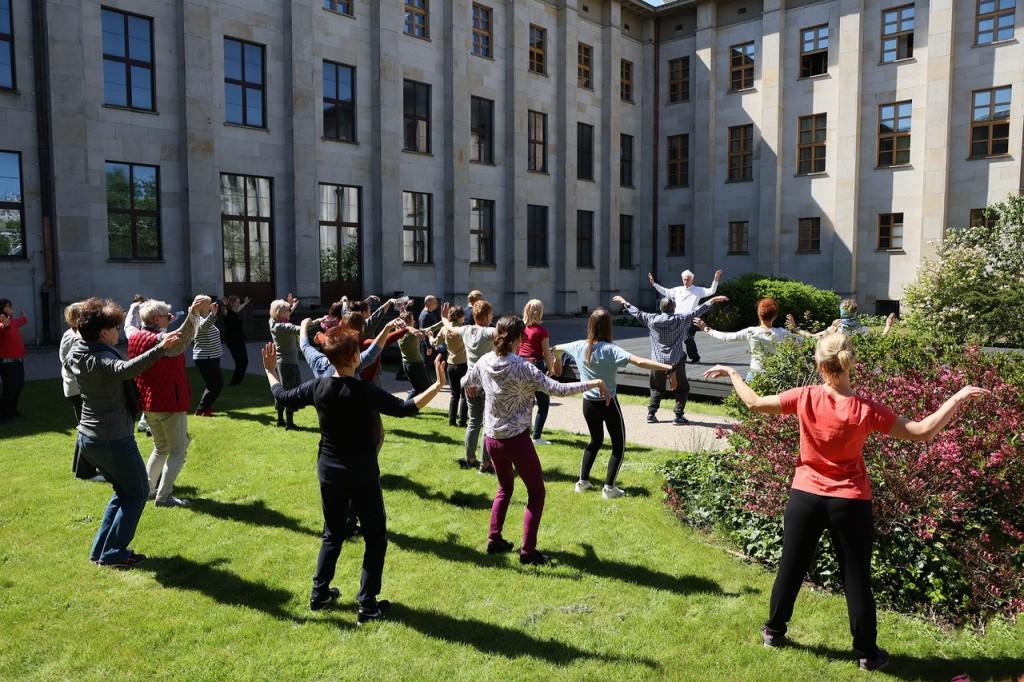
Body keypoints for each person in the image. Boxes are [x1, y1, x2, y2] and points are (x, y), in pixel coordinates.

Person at [703, 334, 989, 671]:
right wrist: (958, 396)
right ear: (848, 364)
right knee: (855, 578)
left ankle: (774, 631)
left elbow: (753, 403)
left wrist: (734, 374)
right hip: (850, 502)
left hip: (805, 497)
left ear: (821, 366)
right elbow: (922, 431)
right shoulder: (866, 410)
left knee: (791, 567)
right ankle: (868, 654)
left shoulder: (805, 396)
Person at [261, 329, 446, 623]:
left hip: (330, 472)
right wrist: (437, 385)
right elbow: (404, 408)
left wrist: (271, 371)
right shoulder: (363, 391)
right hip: (361, 474)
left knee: (333, 533)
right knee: (375, 537)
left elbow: (283, 397)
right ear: (355, 357)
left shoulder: (317, 386)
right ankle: (367, 604)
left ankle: (319, 594)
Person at [463, 315, 609, 564]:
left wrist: (471, 386)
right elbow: (558, 389)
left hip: (492, 440)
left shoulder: (485, 361)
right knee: (536, 493)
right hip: (516, 441)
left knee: (504, 489)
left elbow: (465, 381)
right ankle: (528, 552)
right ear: (519, 338)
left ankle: (494, 539)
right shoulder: (522, 367)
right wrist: (593, 383)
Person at [65, 297, 183, 568]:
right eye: (115, 328)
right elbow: (125, 369)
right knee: (138, 492)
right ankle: (114, 554)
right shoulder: (102, 357)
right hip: (112, 439)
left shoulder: (79, 350)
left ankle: (101, 551)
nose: (119, 332)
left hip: (90, 438)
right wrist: (160, 349)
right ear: (103, 332)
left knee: (123, 492)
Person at [552, 308, 676, 499]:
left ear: (591, 326)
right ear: (609, 327)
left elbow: (557, 348)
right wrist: (667, 367)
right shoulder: (611, 349)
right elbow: (640, 363)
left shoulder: (579, 346)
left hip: (588, 403)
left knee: (595, 441)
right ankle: (609, 489)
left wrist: (557, 362)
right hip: (609, 403)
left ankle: (582, 482)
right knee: (618, 445)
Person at [129, 296, 206, 507]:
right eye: (167, 316)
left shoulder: (135, 336)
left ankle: (147, 491)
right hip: (169, 401)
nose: (170, 318)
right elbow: (182, 338)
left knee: (160, 448)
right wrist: (194, 313)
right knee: (177, 450)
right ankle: (164, 497)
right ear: (156, 318)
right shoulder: (161, 340)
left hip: (148, 403)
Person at [613, 293, 728, 425]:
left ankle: (651, 414)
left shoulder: (651, 319)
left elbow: (636, 312)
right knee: (682, 388)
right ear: (674, 308)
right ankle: (678, 416)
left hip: (657, 361)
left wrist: (623, 301)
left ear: (660, 308)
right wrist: (713, 300)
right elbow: (698, 310)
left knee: (656, 388)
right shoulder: (680, 319)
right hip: (676, 360)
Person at [444, 299, 496, 471]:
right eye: (491, 314)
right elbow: (505, 332)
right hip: (486, 383)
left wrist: (444, 318)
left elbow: (451, 328)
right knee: (487, 424)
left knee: (474, 422)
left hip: (470, 381)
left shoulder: (466, 329)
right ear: (487, 315)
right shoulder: (489, 331)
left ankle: (470, 459)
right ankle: (485, 463)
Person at [694, 298, 796, 380]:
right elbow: (804, 341)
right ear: (775, 316)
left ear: (759, 314)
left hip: (755, 375)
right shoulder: (782, 333)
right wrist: (795, 329)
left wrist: (706, 329)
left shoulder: (751, 332)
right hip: (775, 377)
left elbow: (725, 337)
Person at [59, 302, 101, 481]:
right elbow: (71, 364)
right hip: (78, 388)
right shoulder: (74, 337)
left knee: (85, 428)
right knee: (87, 429)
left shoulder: (73, 334)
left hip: (76, 387)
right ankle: (86, 472)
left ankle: (82, 469)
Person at [647, 269, 723, 363]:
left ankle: (695, 358)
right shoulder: (678, 289)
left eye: (688, 279)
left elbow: (712, 291)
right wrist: (654, 284)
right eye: (684, 279)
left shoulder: (698, 290)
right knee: (676, 339)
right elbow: (665, 292)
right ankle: (682, 356)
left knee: (688, 338)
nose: (685, 281)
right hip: (677, 319)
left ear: (692, 279)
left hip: (691, 318)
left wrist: (716, 279)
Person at [518, 299, 556, 446]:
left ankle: (522, 434)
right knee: (543, 403)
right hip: (536, 365)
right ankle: (537, 436)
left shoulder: (521, 329)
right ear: (540, 312)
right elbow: (546, 353)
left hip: (521, 364)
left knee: (525, 402)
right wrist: (551, 369)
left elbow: (516, 349)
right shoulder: (542, 331)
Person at [431, 306, 469, 427]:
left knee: (454, 394)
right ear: (460, 317)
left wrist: (430, 336)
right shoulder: (463, 329)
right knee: (464, 394)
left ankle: (451, 420)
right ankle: (462, 421)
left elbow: (434, 342)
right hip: (463, 364)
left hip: (451, 365)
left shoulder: (444, 329)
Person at [269, 298, 303, 429]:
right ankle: (289, 423)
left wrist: (292, 307)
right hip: (289, 364)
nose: (290, 312)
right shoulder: (285, 327)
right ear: (281, 313)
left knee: (280, 391)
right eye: (288, 310)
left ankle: (280, 420)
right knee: (290, 392)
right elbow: (301, 328)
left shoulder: (272, 322)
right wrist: (318, 321)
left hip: (278, 363)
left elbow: (282, 314)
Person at [787, 299, 896, 339]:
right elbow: (881, 338)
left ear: (841, 312)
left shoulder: (834, 330)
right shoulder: (864, 330)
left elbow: (811, 337)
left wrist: (795, 328)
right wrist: (887, 326)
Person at [192, 297, 223, 416]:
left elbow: (207, 324)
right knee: (216, 385)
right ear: (202, 306)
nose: (211, 305)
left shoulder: (204, 319)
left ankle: (205, 408)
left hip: (211, 357)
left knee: (214, 384)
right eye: (208, 304)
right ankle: (201, 410)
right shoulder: (196, 319)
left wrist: (211, 315)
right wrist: (213, 314)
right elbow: (203, 327)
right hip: (206, 358)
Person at [0, 298, 28, 422]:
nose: (10, 308)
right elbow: (4, 327)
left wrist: (24, 317)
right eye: (7, 306)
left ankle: (12, 410)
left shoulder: (12, 321)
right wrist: (4, 323)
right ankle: (5, 414)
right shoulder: (3, 320)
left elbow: (19, 322)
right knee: (10, 388)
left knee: (19, 385)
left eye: (10, 306)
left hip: (18, 360)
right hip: (7, 362)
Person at [396, 312, 433, 398]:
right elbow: (427, 330)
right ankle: (410, 407)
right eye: (412, 319)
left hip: (406, 364)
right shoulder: (411, 334)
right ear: (408, 321)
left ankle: (409, 408)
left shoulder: (398, 332)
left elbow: (402, 321)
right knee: (425, 388)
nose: (414, 321)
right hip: (416, 364)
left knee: (417, 388)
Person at [222, 295, 250, 386]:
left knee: (244, 361)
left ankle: (238, 380)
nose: (239, 303)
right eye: (237, 302)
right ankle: (234, 382)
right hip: (232, 341)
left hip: (239, 340)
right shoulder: (227, 312)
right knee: (240, 361)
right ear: (232, 303)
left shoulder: (235, 311)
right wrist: (225, 305)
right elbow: (223, 310)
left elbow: (240, 308)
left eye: (239, 302)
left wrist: (246, 302)